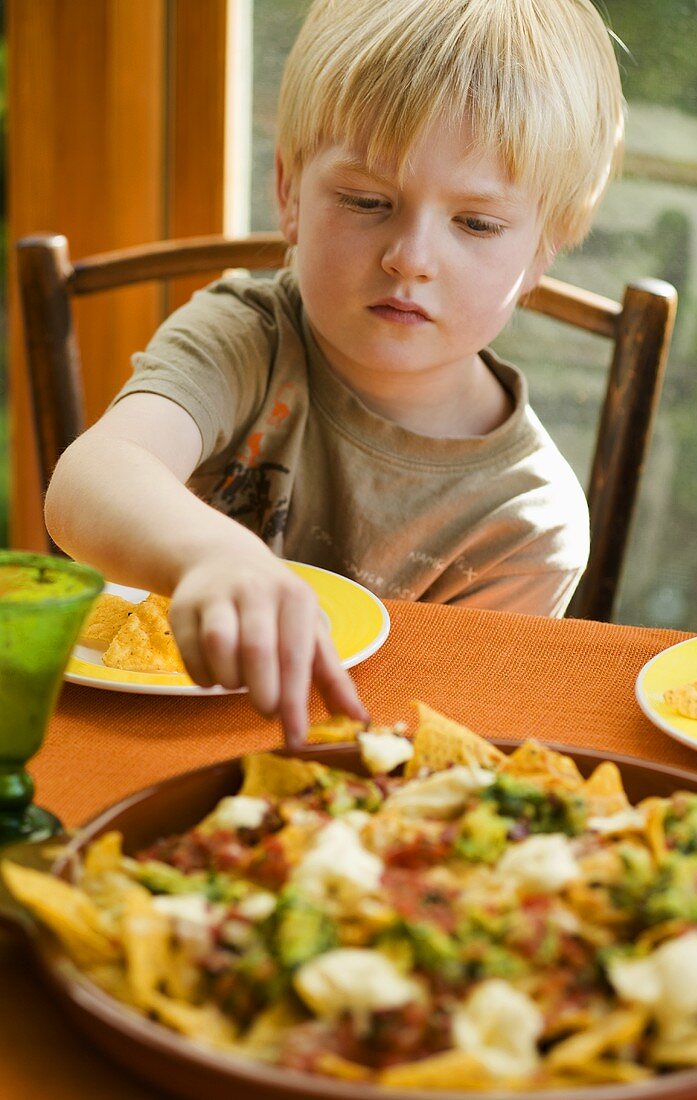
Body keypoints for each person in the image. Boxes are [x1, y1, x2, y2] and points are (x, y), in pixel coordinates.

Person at [45, 0, 625, 748]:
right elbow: (89, 479)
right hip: (144, 741)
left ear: (544, 250)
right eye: (366, 201)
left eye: (476, 223)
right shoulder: (249, 336)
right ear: (289, 194)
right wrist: (216, 557)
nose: (410, 256)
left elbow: (437, 741)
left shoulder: (524, 522)